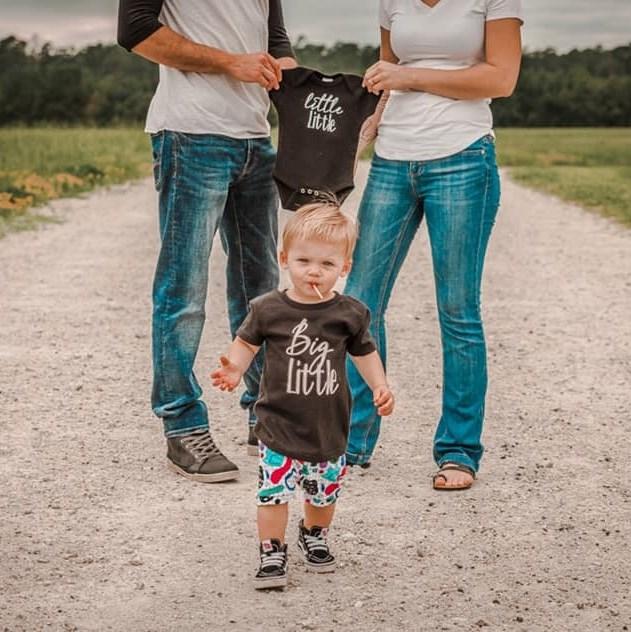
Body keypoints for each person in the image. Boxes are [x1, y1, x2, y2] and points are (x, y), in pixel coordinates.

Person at [345, 0, 523, 489]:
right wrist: (369, 123)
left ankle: (458, 451)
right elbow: (387, 72)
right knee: (359, 303)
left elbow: (501, 79)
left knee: (457, 308)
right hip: (392, 160)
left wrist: (409, 77)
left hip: (462, 157)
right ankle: (352, 442)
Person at [116, 1, 296, 482]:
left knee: (261, 289)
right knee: (184, 288)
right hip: (191, 134)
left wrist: (314, 99)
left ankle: (265, 413)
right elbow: (135, 30)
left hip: (255, 139)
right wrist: (232, 63)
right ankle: (183, 424)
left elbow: (275, 43)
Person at [211, 203, 394, 589]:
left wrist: (380, 384)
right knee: (273, 493)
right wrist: (234, 368)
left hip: (327, 427)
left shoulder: (349, 314)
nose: (314, 271)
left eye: (327, 264)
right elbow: (246, 343)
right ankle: (271, 549)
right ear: (284, 259)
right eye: (303, 260)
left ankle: (314, 533)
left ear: (344, 267)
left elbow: (364, 352)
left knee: (322, 495)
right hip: (277, 424)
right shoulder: (268, 309)